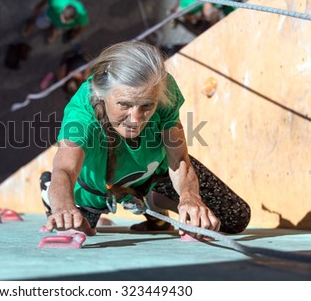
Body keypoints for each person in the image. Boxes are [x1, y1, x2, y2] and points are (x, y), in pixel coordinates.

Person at [40, 41, 250, 237]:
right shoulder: (81, 114)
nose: (136, 119)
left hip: (152, 172)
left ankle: (154, 199)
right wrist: (63, 206)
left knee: (235, 218)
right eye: (124, 104)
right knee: (79, 227)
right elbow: (66, 169)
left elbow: (179, 159)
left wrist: (189, 198)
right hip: (96, 187)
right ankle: (49, 189)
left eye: (147, 106)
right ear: (102, 94)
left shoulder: (163, 90)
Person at [171, 0, 242, 36]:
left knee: (210, 14)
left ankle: (219, 26)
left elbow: (205, 10)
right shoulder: (186, 2)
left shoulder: (187, 8)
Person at [22, 0, 88, 44]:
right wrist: (39, 7)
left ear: (75, 17)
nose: (63, 21)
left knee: (57, 27)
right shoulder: (58, 2)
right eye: (63, 17)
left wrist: (76, 33)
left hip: (58, 24)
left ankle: (53, 30)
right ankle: (31, 22)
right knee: (39, 23)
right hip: (50, 15)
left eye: (67, 20)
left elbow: (83, 26)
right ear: (63, 9)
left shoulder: (81, 16)